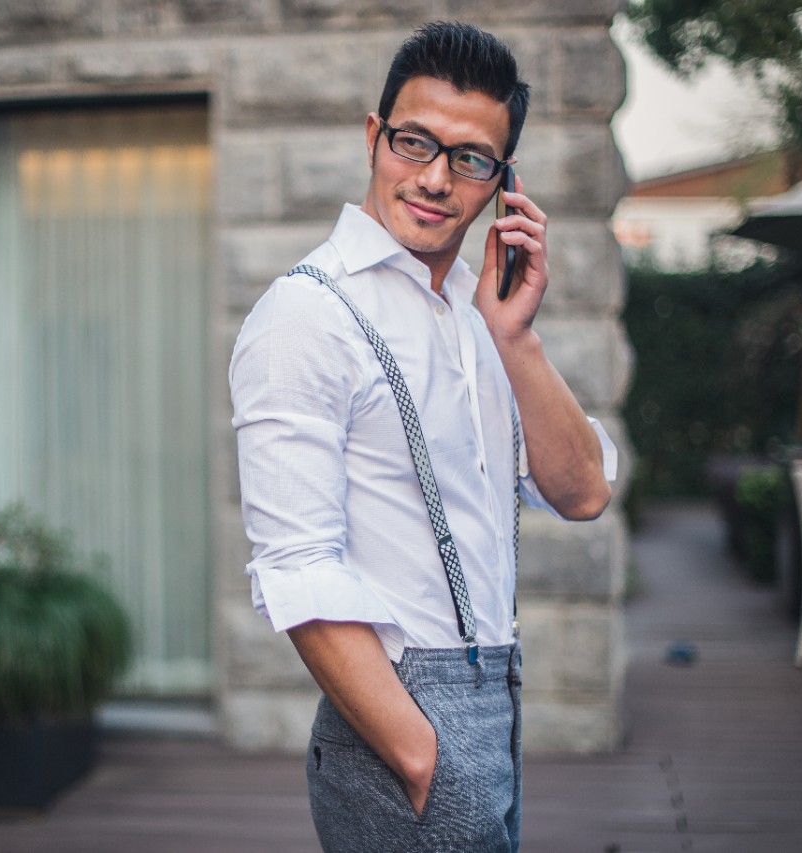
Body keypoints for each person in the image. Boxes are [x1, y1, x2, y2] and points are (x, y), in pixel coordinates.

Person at [229, 21, 618, 852]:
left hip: (497, 700)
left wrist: (517, 339)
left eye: (470, 158)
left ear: (502, 183)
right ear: (375, 139)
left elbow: (583, 492)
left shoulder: (482, 315)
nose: (436, 179)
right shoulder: (305, 315)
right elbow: (297, 567)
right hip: (398, 724)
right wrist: (421, 755)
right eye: (415, 143)